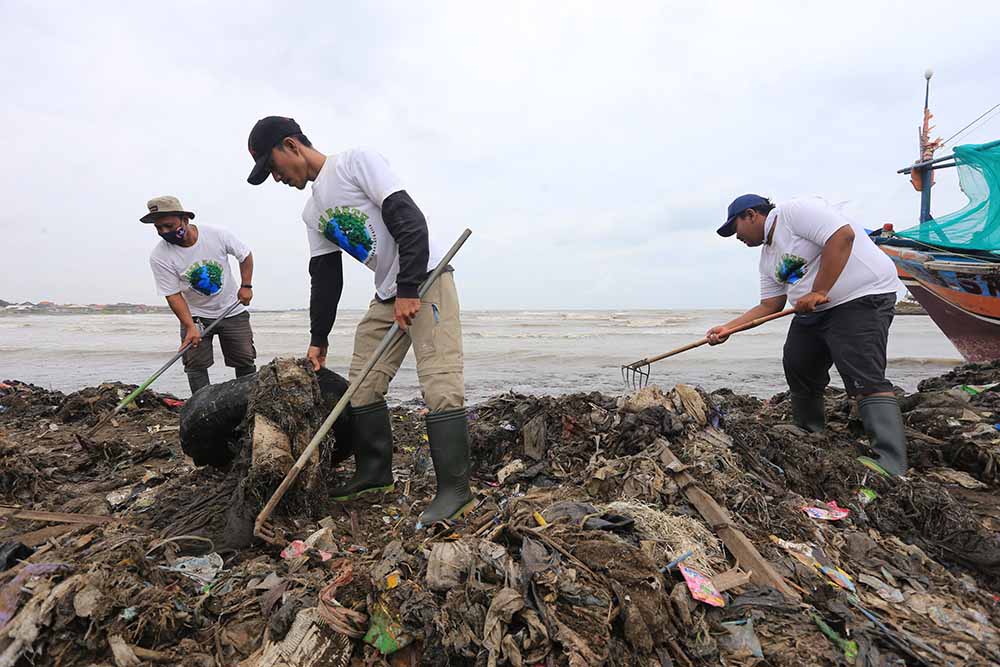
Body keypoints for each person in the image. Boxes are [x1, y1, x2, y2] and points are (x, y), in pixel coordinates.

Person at [245, 116, 473, 527]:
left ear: (292, 145)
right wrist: (319, 338)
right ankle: (374, 473)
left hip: (427, 279)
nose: (276, 177)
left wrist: (408, 288)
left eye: (273, 166)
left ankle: (455, 492)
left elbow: (408, 218)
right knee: (361, 386)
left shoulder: (355, 163)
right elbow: (325, 276)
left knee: (440, 385)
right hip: (389, 293)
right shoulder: (313, 212)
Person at [709, 194, 908, 477]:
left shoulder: (794, 213)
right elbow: (770, 305)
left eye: (735, 228)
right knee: (798, 362)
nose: (735, 236)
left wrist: (820, 290)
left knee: (863, 373)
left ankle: (891, 460)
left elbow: (842, 236)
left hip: (861, 297)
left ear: (752, 215)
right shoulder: (768, 259)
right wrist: (730, 328)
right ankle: (809, 430)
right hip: (814, 311)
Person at [144, 196, 256, 394]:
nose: (164, 232)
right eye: (159, 228)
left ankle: (247, 402)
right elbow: (173, 295)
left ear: (185, 220)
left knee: (244, 359)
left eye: (168, 226)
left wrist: (246, 285)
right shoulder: (160, 256)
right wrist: (190, 326)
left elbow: (245, 254)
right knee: (195, 364)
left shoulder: (217, 234)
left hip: (232, 310)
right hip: (195, 315)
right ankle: (201, 409)